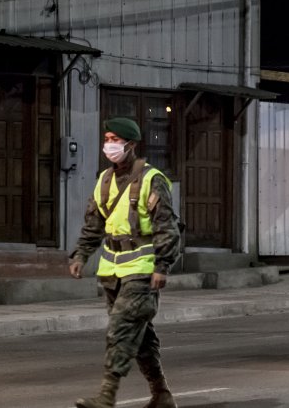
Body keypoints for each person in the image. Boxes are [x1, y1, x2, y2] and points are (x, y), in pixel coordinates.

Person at [69, 117, 182, 408]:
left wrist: (162, 266)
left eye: (115, 140)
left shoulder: (151, 179)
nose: (109, 145)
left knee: (120, 329)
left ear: (130, 145)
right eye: (106, 138)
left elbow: (166, 226)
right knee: (139, 335)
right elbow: (94, 224)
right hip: (112, 271)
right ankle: (161, 394)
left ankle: (107, 397)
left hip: (143, 271)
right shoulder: (104, 180)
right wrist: (81, 255)